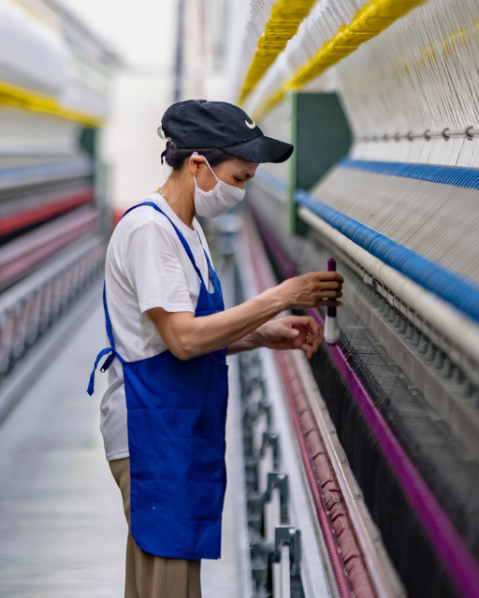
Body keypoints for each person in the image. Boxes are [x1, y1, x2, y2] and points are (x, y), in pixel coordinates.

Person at [88, 100, 344, 598]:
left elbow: (187, 334)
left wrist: (263, 334)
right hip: (152, 433)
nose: (242, 189)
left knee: (157, 583)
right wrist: (280, 296)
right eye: (240, 176)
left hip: (174, 427)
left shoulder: (187, 229)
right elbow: (183, 340)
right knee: (169, 583)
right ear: (199, 165)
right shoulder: (150, 231)